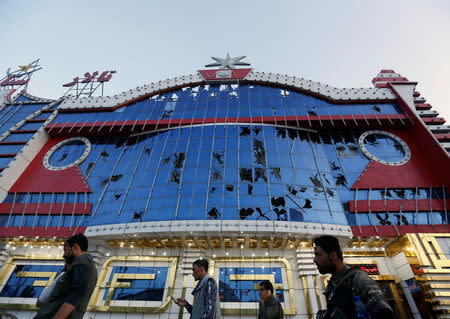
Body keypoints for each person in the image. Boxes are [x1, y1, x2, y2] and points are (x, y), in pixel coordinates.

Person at [313, 235, 396, 319]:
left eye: (318, 255)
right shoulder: (331, 286)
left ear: (333, 255)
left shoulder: (358, 278)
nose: (314, 260)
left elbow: (385, 313)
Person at [34, 234, 98, 319]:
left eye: (65, 250)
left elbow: (78, 292)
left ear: (75, 247)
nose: (65, 254)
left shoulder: (82, 261)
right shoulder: (88, 265)